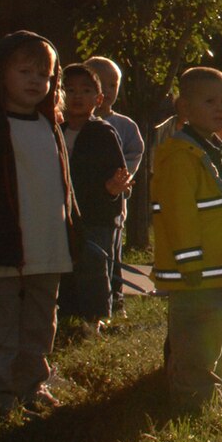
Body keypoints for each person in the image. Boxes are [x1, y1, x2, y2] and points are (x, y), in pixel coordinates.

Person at [0, 31, 75, 418]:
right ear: (0, 75)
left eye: (44, 75)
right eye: (24, 71)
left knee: (40, 326)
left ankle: (30, 385)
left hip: (48, 250)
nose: (34, 81)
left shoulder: (51, 128)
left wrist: (75, 233)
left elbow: (64, 188)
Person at [150, 66, 222, 408]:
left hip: (219, 264)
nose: (221, 108)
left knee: (216, 332)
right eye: (210, 101)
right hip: (196, 268)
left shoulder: (218, 152)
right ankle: (191, 393)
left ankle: (210, 388)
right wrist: (188, 259)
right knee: (194, 332)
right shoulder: (181, 156)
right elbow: (179, 212)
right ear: (185, 108)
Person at [57, 62, 132, 326]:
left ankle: (95, 318)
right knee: (66, 263)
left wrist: (113, 189)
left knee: (95, 265)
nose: (77, 96)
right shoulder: (58, 131)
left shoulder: (102, 132)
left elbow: (118, 172)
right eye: (70, 90)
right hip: (65, 213)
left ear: (98, 99)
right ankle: (67, 311)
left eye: (86, 90)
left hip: (97, 213)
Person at [83, 55, 146, 314]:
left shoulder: (124, 126)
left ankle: (115, 298)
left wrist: (121, 180)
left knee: (112, 252)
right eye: (100, 84)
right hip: (84, 200)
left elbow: (134, 156)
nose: (107, 91)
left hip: (114, 202)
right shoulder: (73, 121)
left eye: (113, 85)